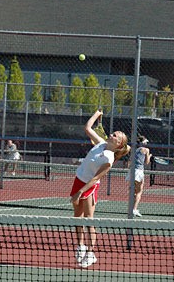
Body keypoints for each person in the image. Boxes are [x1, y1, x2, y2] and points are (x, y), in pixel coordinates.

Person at [70, 110, 130, 268]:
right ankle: (81, 246)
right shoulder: (101, 143)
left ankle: (90, 253)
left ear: (119, 144)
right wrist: (97, 114)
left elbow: (95, 178)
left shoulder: (109, 160)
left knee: (89, 220)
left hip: (88, 187)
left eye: (117, 135)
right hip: (78, 180)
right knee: (77, 218)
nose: (113, 134)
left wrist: (80, 192)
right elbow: (88, 128)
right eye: (115, 133)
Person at [125, 135, 152, 217]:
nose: (147, 144)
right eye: (146, 142)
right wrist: (150, 156)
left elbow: (129, 163)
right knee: (139, 192)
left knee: (132, 191)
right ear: (143, 142)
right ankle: (134, 209)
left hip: (132, 171)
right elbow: (147, 162)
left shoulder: (134, 150)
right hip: (139, 171)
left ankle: (131, 209)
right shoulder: (146, 150)